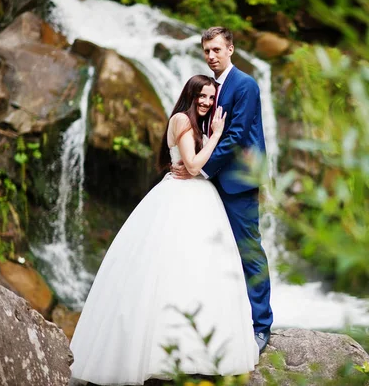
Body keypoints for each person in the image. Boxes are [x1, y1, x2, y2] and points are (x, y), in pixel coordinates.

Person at [69, 75, 259, 386]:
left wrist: (209, 138)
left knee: (200, 268)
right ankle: (162, 351)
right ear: (190, 93)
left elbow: (196, 167)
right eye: (202, 95)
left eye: (211, 97)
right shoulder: (182, 120)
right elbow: (194, 166)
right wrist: (216, 136)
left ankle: (198, 349)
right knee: (169, 266)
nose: (206, 102)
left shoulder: (196, 122)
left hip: (199, 197)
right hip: (179, 197)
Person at [172, 27, 273, 353]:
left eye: (216, 49)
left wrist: (198, 169)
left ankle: (261, 327)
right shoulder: (209, 87)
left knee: (249, 252)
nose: (211, 55)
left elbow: (237, 135)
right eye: (206, 51)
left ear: (230, 48)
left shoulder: (245, 85)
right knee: (212, 254)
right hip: (210, 183)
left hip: (237, 181)